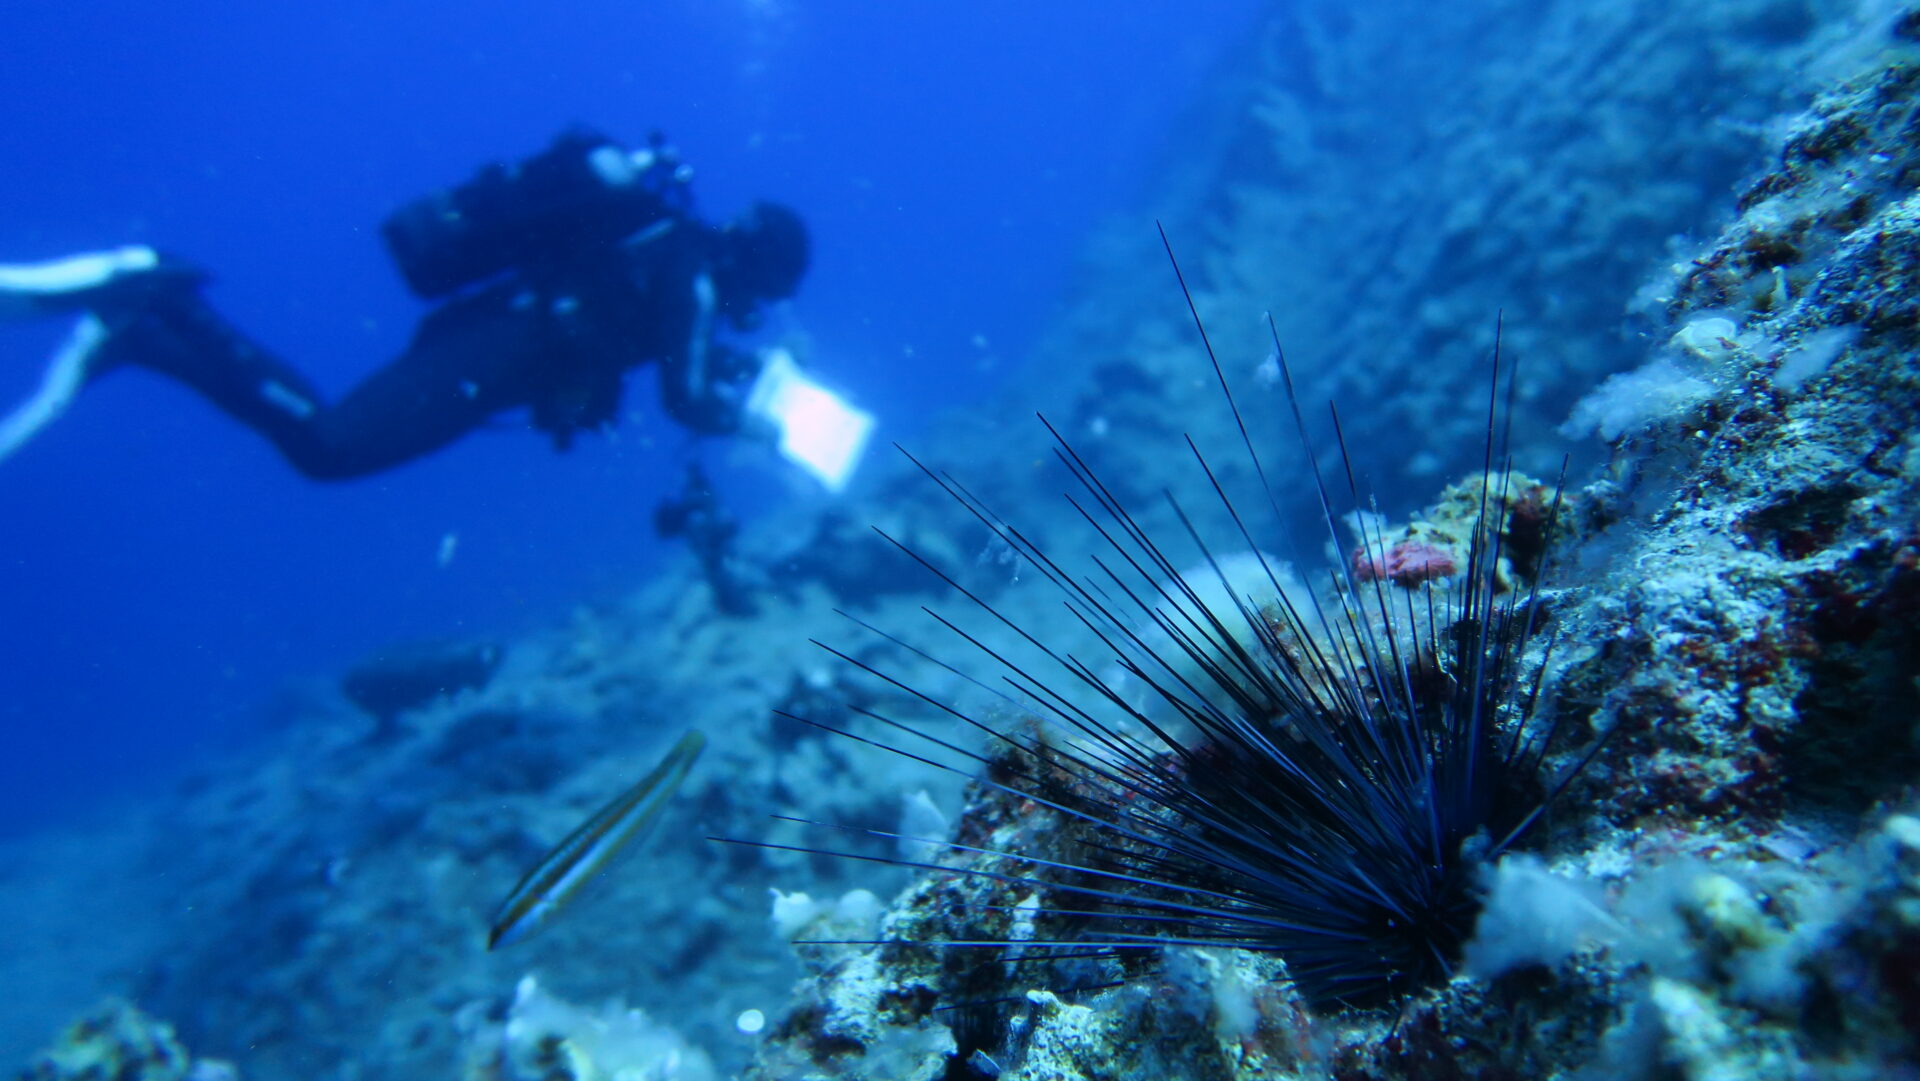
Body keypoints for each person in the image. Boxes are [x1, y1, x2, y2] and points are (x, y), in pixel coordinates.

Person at [0, 128, 811, 479]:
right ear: (757, 271)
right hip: (490, 356)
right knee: (330, 448)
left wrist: (748, 369)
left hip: (488, 345)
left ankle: (146, 333)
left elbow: (672, 345)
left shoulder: (670, 254)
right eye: (764, 296)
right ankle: (156, 293)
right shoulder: (692, 272)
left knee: (328, 444)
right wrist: (764, 427)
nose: (751, 308)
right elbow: (685, 391)